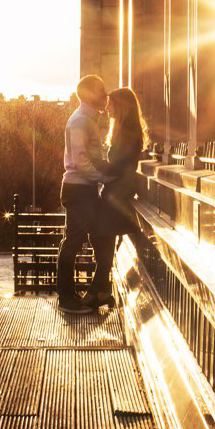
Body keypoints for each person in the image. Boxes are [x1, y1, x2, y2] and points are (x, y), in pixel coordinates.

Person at [55, 75, 111, 314]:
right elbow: (80, 160)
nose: (106, 95)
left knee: (87, 238)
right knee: (74, 242)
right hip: (79, 188)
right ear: (90, 94)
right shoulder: (80, 121)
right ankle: (67, 298)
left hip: (81, 188)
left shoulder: (86, 119)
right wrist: (104, 178)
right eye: (101, 91)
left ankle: (87, 292)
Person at [88, 87, 149, 306]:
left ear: (122, 106)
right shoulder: (122, 130)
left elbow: (120, 165)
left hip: (118, 192)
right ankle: (100, 289)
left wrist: (97, 165)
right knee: (102, 237)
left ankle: (99, 290)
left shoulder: (128, 133)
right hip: (115, 190)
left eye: (111, 103)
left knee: (102, 236)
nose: (107, 108)